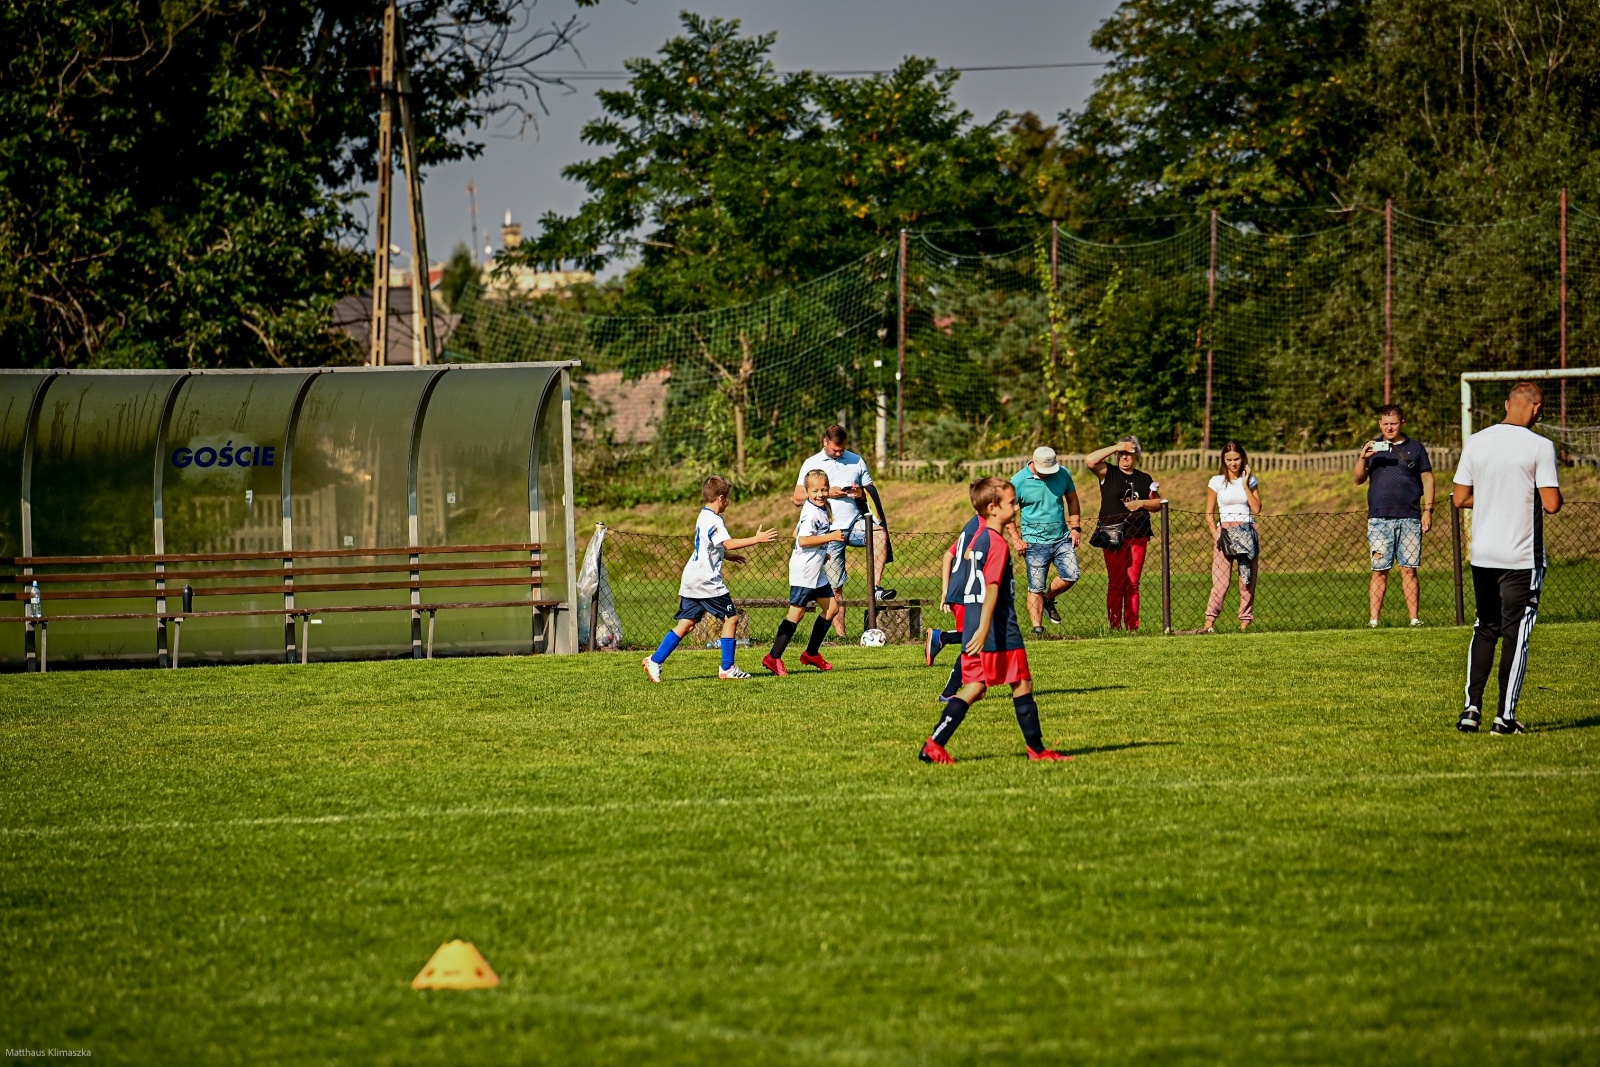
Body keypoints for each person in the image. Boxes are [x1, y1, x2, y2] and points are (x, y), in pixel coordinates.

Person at [918, 477, 1071, 764]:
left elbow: (966, 561)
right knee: (1022, 682)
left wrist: (977, 627)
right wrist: (987, 627)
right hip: (998, 627)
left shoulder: (979, 538)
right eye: (1011, 503)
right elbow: (991, 588)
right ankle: (1037, 751)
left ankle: (933, 744)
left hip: (974, 623)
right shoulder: (998, 544)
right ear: (993, 508)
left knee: (975, 688)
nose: (1016, 507)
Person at [1451, 382, 1563, 735]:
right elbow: (1552, 504)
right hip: (1521, 558)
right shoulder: (1540, 446)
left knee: (1485, 628)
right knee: (1517, 635)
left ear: (1506, 404)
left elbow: (1459, 498)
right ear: (1536, 408)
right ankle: (1505, 717)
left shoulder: (1477, 442)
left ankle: (1471, 709)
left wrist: (1494, 498)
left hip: (1483, 554)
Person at [642, 476, 777, 682]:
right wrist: (756, 539)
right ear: (721, 498)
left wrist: (727, 556)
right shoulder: (715, 520)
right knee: (731, 618)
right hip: (707, 582)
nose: (729, 502)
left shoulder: (703, 516)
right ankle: (727, 668)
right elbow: (728, 543)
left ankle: (655, 660)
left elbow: (711, 546)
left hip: (692, 578)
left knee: (687, 624)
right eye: (728, 498)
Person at [791, 425, 896, 635]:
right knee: (835, 587)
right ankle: (841, 635)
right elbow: (796, 498)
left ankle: (875, 588)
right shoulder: (811, 463)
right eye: (835, 450)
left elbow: (870, 490)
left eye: (842, 449)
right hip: (829, 531)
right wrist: (828, 493)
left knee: (878, 533)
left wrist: (860, 492)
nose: (839, 453)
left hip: (855, 523)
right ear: (825, 442)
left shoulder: (856, 460)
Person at [1354, 404, 1435, 627]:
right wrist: (1363, 458)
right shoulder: (1373, 447)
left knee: (1409, 569)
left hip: (1410, 517)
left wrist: (1428, 510)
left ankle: (1414, 619)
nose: (1389, 427)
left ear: (1402, 423)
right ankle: (1374, 621)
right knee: (1380, 569)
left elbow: (1428, 479)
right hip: (1379, 519)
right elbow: (1358, 479)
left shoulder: (1416, 448)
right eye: (1385, 423)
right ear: (1380, 424)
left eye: (1394, 423)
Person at [763, 470, 846, 675]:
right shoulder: (811, 512)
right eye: (815, 490)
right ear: (807, 491)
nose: (820, 494)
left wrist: (820, 552)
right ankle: (773, 657)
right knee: (796, 613)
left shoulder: (819, 509)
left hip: (815, 569)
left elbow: (796, 532)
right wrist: (830, 537)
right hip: (805, 570)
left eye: (824, 489)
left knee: (832, 608)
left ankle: (811, 654)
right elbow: (802, 540)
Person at [1084, 436, 1163, 631]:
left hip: (1138, 534)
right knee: (1116, 582)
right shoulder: (1108, 473)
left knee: (1133, 583)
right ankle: (1114, 626)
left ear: (1136, 455)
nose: (1125, 456)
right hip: (1112, 535)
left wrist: (1142, 503)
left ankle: (1132, 626)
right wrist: (1117, 446)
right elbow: (1090, 460)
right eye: (1122, 453)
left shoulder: (1144, 479)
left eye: (1129, 452)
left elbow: (1158, 504)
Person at [1007, 445, 1082, 636]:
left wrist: (1075, 528)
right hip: (1034, 542)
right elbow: (1008, 513)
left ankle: (1048, 600)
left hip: (1062, 538)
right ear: (1034, 463)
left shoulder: (1062, 474)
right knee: (1036, 586)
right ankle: (1037, 629)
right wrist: (1016, 539)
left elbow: (1072, 499)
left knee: (1071, 575)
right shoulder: (1018, 481)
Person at [1204, 441, 1262, 632]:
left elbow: (1257, 508)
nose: (1233, 463)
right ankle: (1209, 622)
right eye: (1228, 460)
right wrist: (1215, 534)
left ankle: (1245, 622)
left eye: (1236, 459)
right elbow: (1209, 513)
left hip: (1246, 531)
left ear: (1243, 458)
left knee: (1246, 580)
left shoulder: (1251, 481)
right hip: (1225, 534)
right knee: (1220, 582)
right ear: (1223, 460)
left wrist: (1245, 484)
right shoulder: (1216, 481)